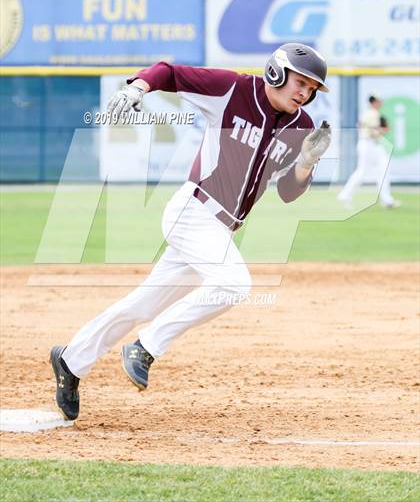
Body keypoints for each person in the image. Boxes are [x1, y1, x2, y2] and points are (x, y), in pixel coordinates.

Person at [50, 43, 332, 420]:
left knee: (142, 304)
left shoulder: (302, 127)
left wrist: (307, 164)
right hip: (194, 211)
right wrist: (138, 87)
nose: (305, 92)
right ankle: (146, 347)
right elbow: (170, 72)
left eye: (312, 88)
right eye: (301, 82)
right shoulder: (234, 90)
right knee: (234, 284)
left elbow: (287, 193)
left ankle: (70, 360)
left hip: (222, 229)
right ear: (277, 72)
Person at [338, 94, 400, 208]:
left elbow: (360, 126)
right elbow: (374, 132)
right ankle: (345, 195)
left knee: (383, 169)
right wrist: (384, 129)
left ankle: (387, 200)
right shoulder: (373, 113)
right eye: (379, 101)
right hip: (369, 144)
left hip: (372, 144)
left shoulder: (368, 113)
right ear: (374, 102)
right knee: (363, 171)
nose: (381, 103)